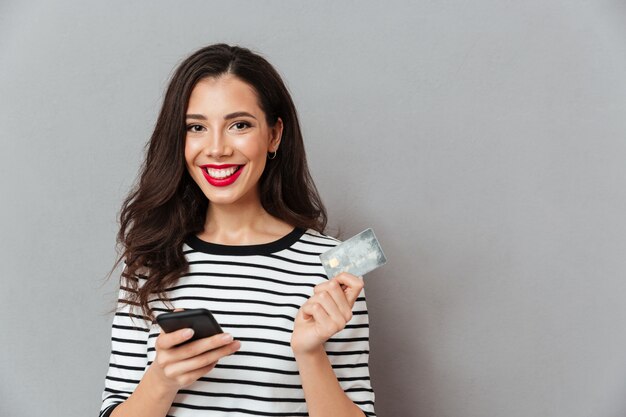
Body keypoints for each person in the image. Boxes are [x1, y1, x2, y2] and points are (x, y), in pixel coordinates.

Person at [99, 43, 376, 417]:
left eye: (239, 125)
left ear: (274, 135)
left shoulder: (333, 267)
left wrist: (310, 355)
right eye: (196, 127)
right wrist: (162, 380)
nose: (216, 149)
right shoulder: (150, 261)